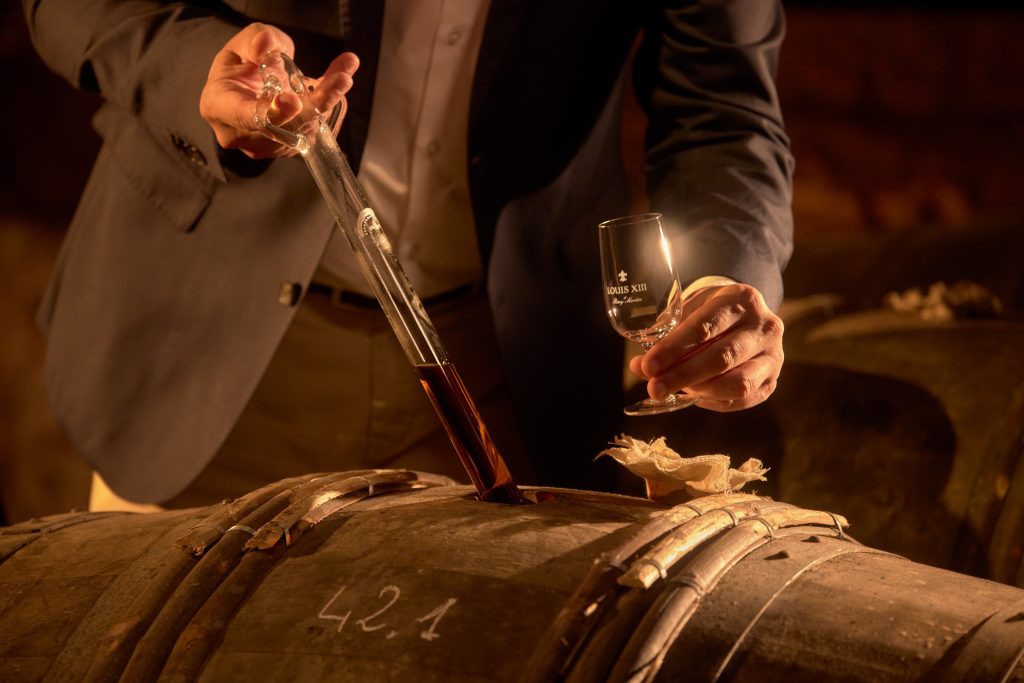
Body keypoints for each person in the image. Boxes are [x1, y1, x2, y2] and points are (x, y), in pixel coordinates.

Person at [24, 0, 791, 509]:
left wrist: (725, 277)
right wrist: (197, 68)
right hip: (205, 343)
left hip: (509, 369)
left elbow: (722, 106)